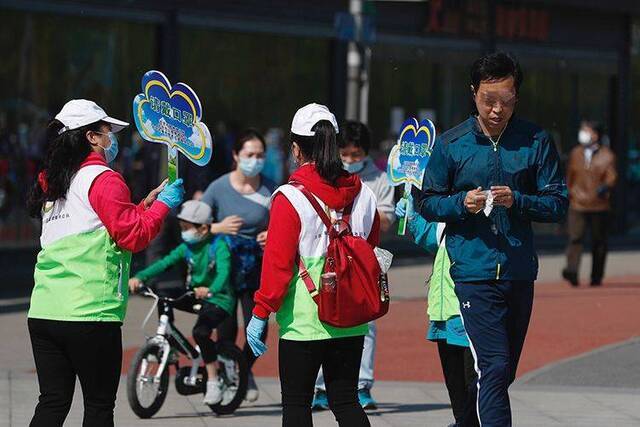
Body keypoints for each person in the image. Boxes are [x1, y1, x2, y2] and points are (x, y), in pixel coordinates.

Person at [413, 53, 568, 426]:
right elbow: (427, 203)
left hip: (518, 272)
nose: (497, 110)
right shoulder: (452, 144)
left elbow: (558, 202)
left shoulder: (535, 141)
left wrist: (519, 201)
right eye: (488, 100)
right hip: (472, 272)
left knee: (501, 373)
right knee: (494, 367)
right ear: (473, 94)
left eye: (507, 100)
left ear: (517, 96)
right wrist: (460, 203)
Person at [26, 99, 185, 427]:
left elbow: (105, 226)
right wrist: (164, 207)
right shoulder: (103, 178)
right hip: (90, 313)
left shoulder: (55, 182)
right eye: (107, 131)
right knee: (98, 408)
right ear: (91, 138)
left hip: (44, 311)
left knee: (52, 403)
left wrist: (145, 205)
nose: (112, 137)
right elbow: (133, 237)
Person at [245, 103, 380, 426]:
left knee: (297, 406)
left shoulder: (289, 198)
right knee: (346, 402)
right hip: (351, 316)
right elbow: (370, 247)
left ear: (295, 149)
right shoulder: (363, 193)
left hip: (305, 321)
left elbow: (277, 267)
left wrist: (261, 313)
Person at [312, 121, 395, 410]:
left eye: (356, 155)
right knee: (324, 316)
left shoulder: (378, 179)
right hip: (331, 258)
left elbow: (386, 218)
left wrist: (363, 213)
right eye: (344, 154)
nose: (349, 160)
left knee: (366, 321)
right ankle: (321, 387)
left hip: (363, 261)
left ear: (365, 153)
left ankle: (361, 385)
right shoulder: (326, 175)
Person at [128, 200, 235, 405]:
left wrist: (210, 289)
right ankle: (173, 349)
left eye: (187, 228)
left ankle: (213, 380)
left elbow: (224, 273)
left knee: (200, 333)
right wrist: (139, 277)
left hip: (219, 297)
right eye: (182, 228)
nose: (184, 232)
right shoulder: (186, 247)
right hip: (195, 294)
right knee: (163, 299)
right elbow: (164, 262)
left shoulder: (218, 245)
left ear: (203, 228)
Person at [200, 129, 277, 402]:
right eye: (249, 154)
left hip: (256, 265)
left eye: (260, 155)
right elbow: (193, 226)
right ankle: (231, 372)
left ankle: (242, 370)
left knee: (259, 327)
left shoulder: (271, 187)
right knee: (226, 327)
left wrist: (272, 234)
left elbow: (284, 224)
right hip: (224, 265)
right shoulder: (218, 187)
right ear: (235, 155)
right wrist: (217, 227)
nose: (254, 160)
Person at [396, 195, 478, 427]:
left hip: (468, 312)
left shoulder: (476, 211)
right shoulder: (447, 212)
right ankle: (462, 421)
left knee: (473, 381)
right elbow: (435, 239)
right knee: (454, 381)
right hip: (443, 312)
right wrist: (412, 218)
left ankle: (471, 422)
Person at [562, 120, 617, 287]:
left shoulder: (607, 155)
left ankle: (596, 275)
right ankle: (572, 271)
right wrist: (567, 193)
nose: (583, 134)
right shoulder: (576, 153)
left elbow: (611, 176)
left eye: (586, 131)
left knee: (598, 241)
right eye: (582, 130)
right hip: (577, 203)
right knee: (575, 238)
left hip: (598, 205)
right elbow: (569, 176)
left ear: (596, 134)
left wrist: (605, 186)